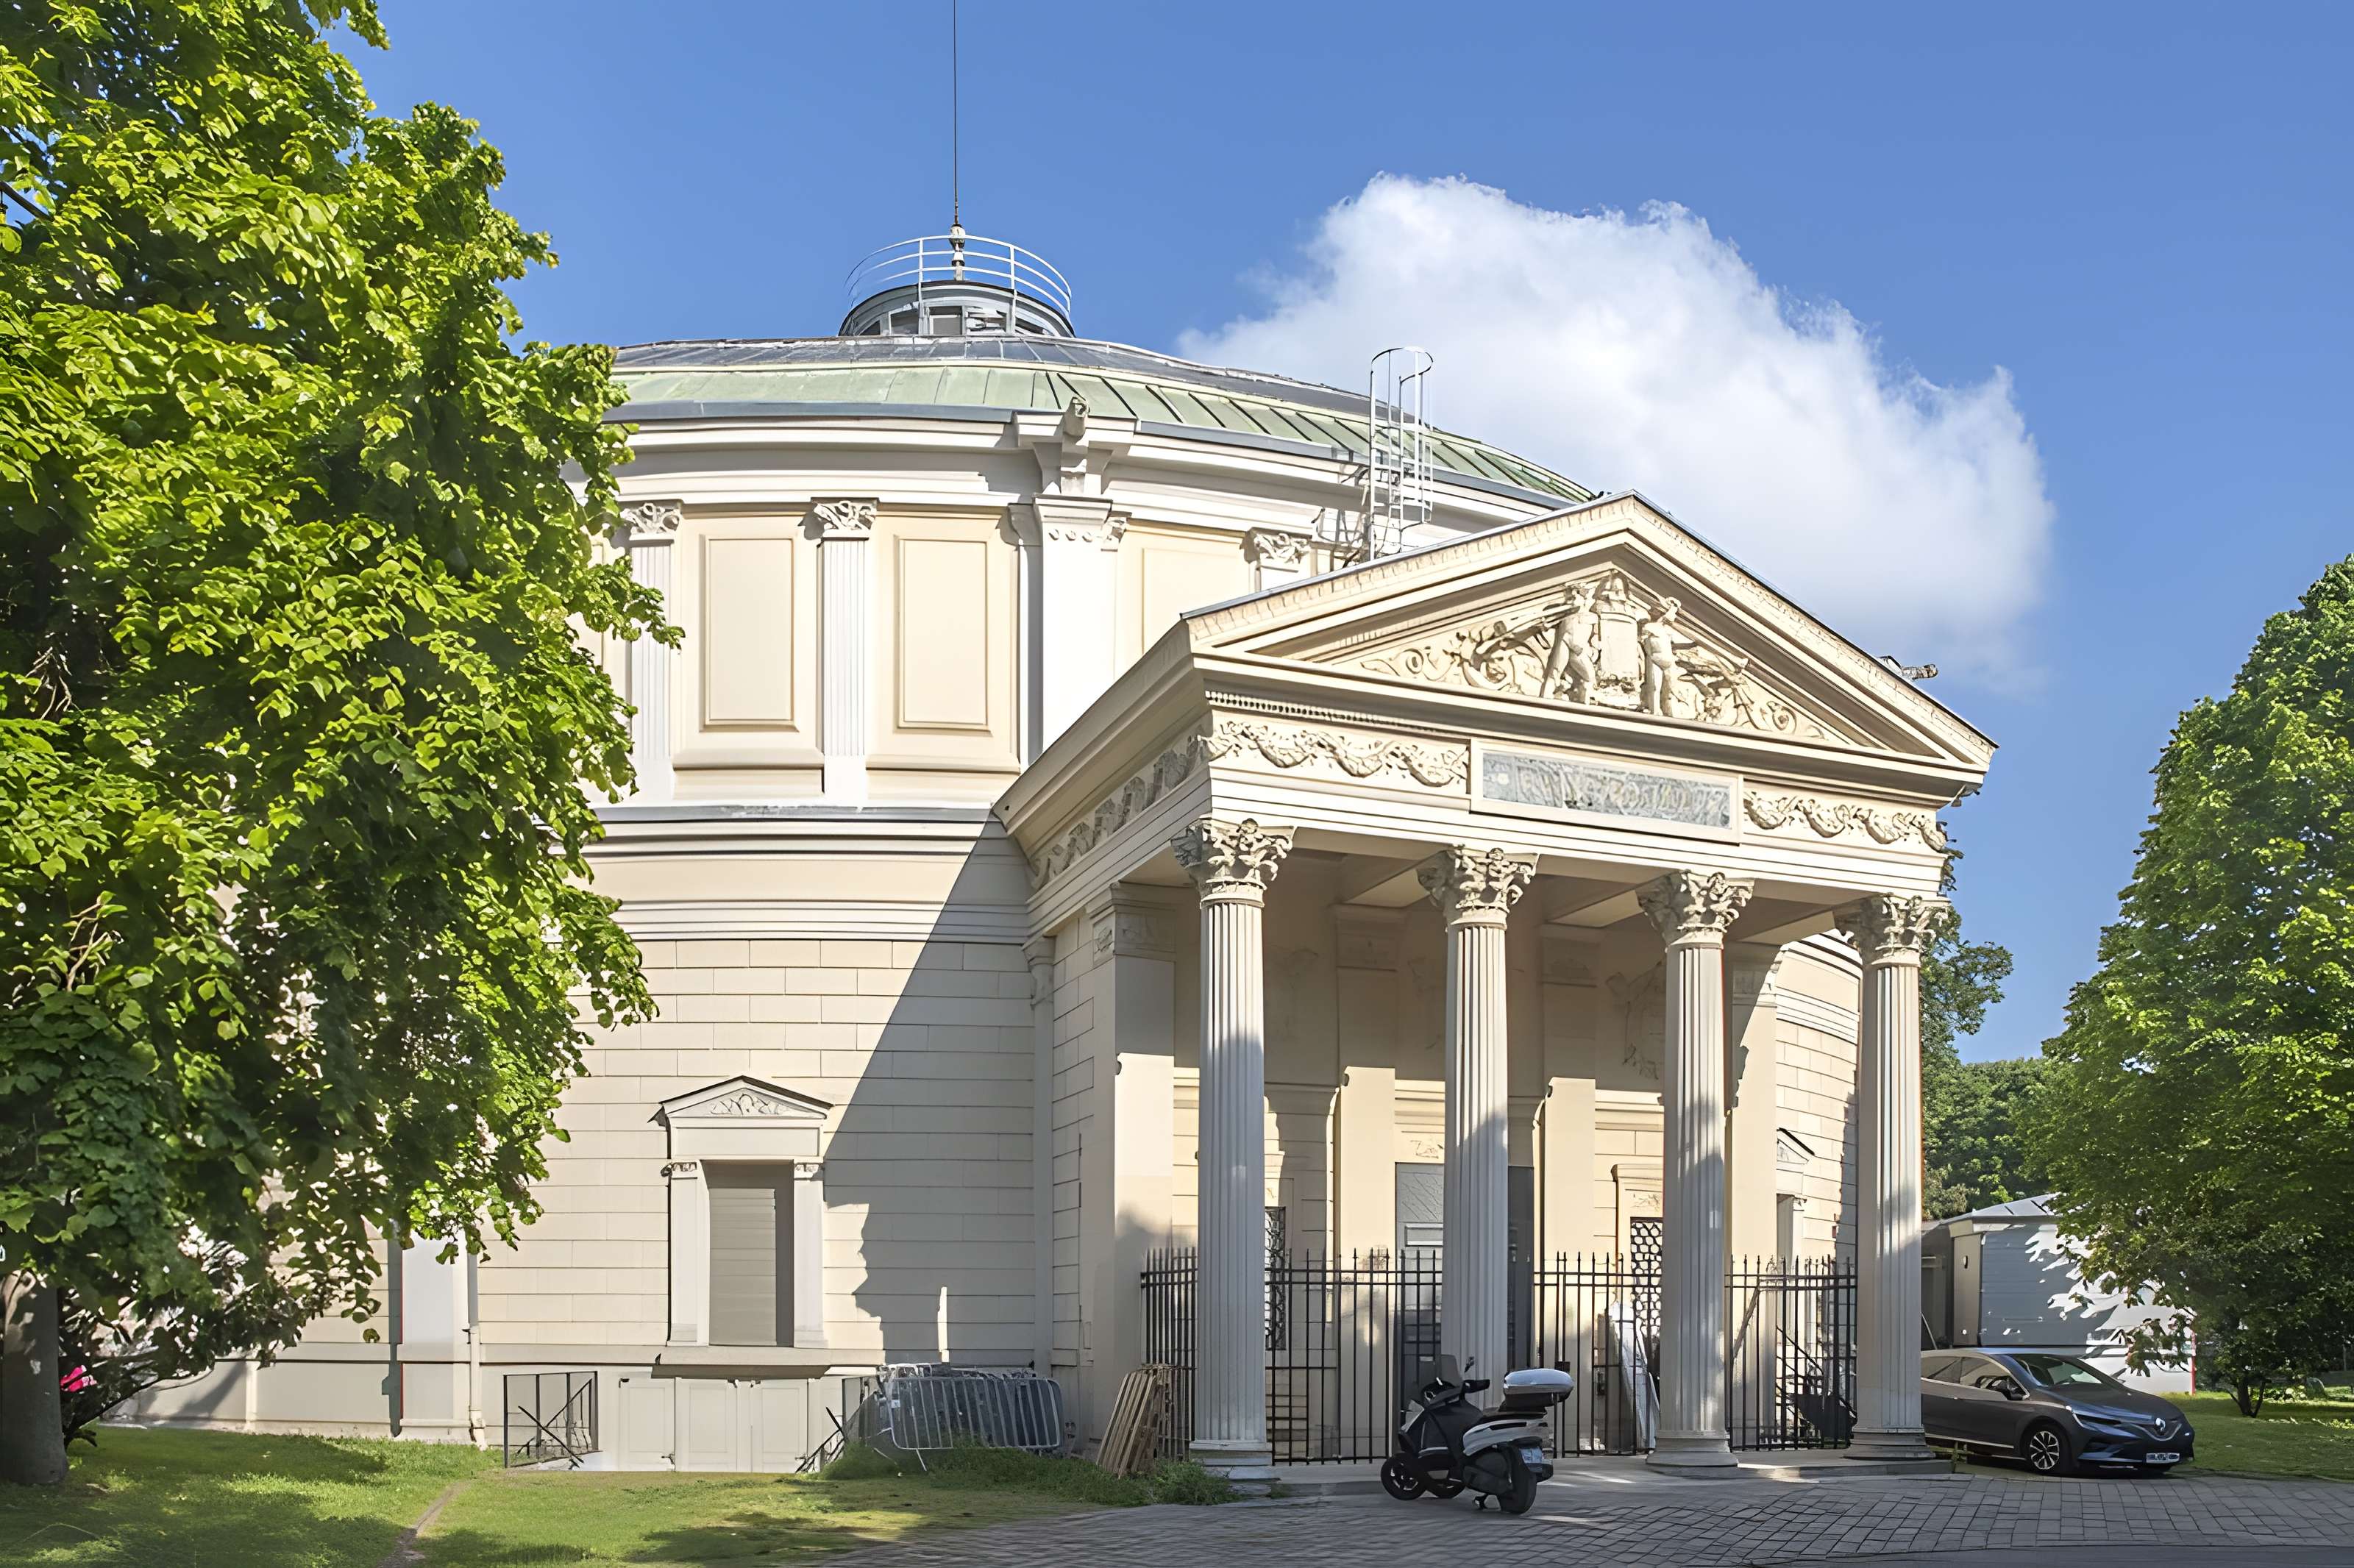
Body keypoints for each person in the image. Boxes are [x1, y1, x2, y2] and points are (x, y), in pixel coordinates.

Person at [1540, 582, 1599, 702]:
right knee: (1554, 673)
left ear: (1584, 599)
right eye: (1569, 598)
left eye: (1574, 597)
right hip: (1564, 645)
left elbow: (1596, 636)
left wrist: (1595, 651)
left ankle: (1588, 701)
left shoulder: (1592, 617)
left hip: (1580, 651)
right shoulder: (1565, 615)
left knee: (1590, 677)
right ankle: (1545, 697)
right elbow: (1546, 624)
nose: (1571, 601)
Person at [1638, 597, 1685, 716]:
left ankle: (1669, 710)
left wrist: (1692, 646)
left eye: (1655, 610)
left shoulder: (1666, 630)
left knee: (1670, 688)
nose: (1652, 612)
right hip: (1654, 660)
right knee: (1654, 686)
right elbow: (1664, 620)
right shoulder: (1650, 626)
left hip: (1668, 660)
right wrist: (1673, 608)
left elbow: (1676, 644)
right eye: (1652, 610)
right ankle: (1655, 710)